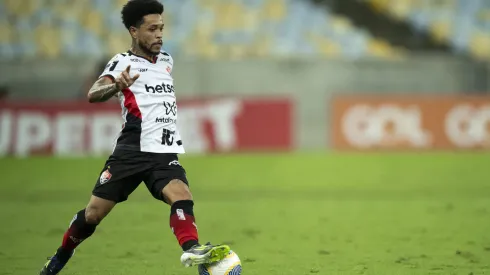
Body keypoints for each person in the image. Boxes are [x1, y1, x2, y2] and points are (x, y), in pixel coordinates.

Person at [39, 1, 230, 274]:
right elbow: (93, 94)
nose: (159, 34)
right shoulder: (122, 62)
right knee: (93, 214)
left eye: (161, 28)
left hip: (163, 151)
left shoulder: (166, 61)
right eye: (152, 29)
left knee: (181, 195)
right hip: (131, 151)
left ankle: (193, 253)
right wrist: (117, 85)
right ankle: (59, 257)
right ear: (134, 31)